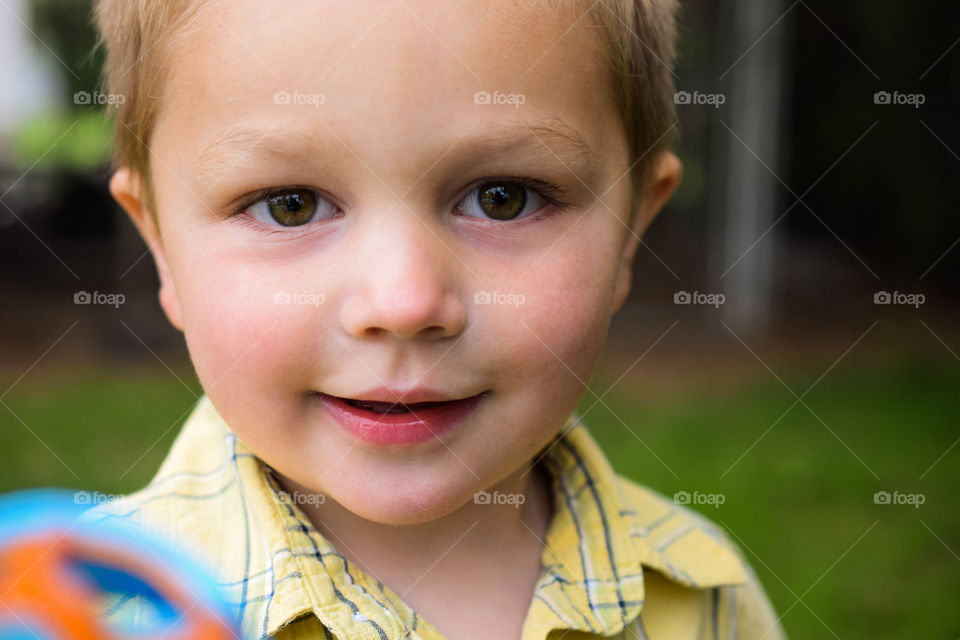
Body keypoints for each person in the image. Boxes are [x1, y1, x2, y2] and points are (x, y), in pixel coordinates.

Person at [83, 0, 786, 638]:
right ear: (161, 246)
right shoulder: (87, 614)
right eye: (290, 205)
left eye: (503, 198)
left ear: (629, 231)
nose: (405, 303)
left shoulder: (704, 599)